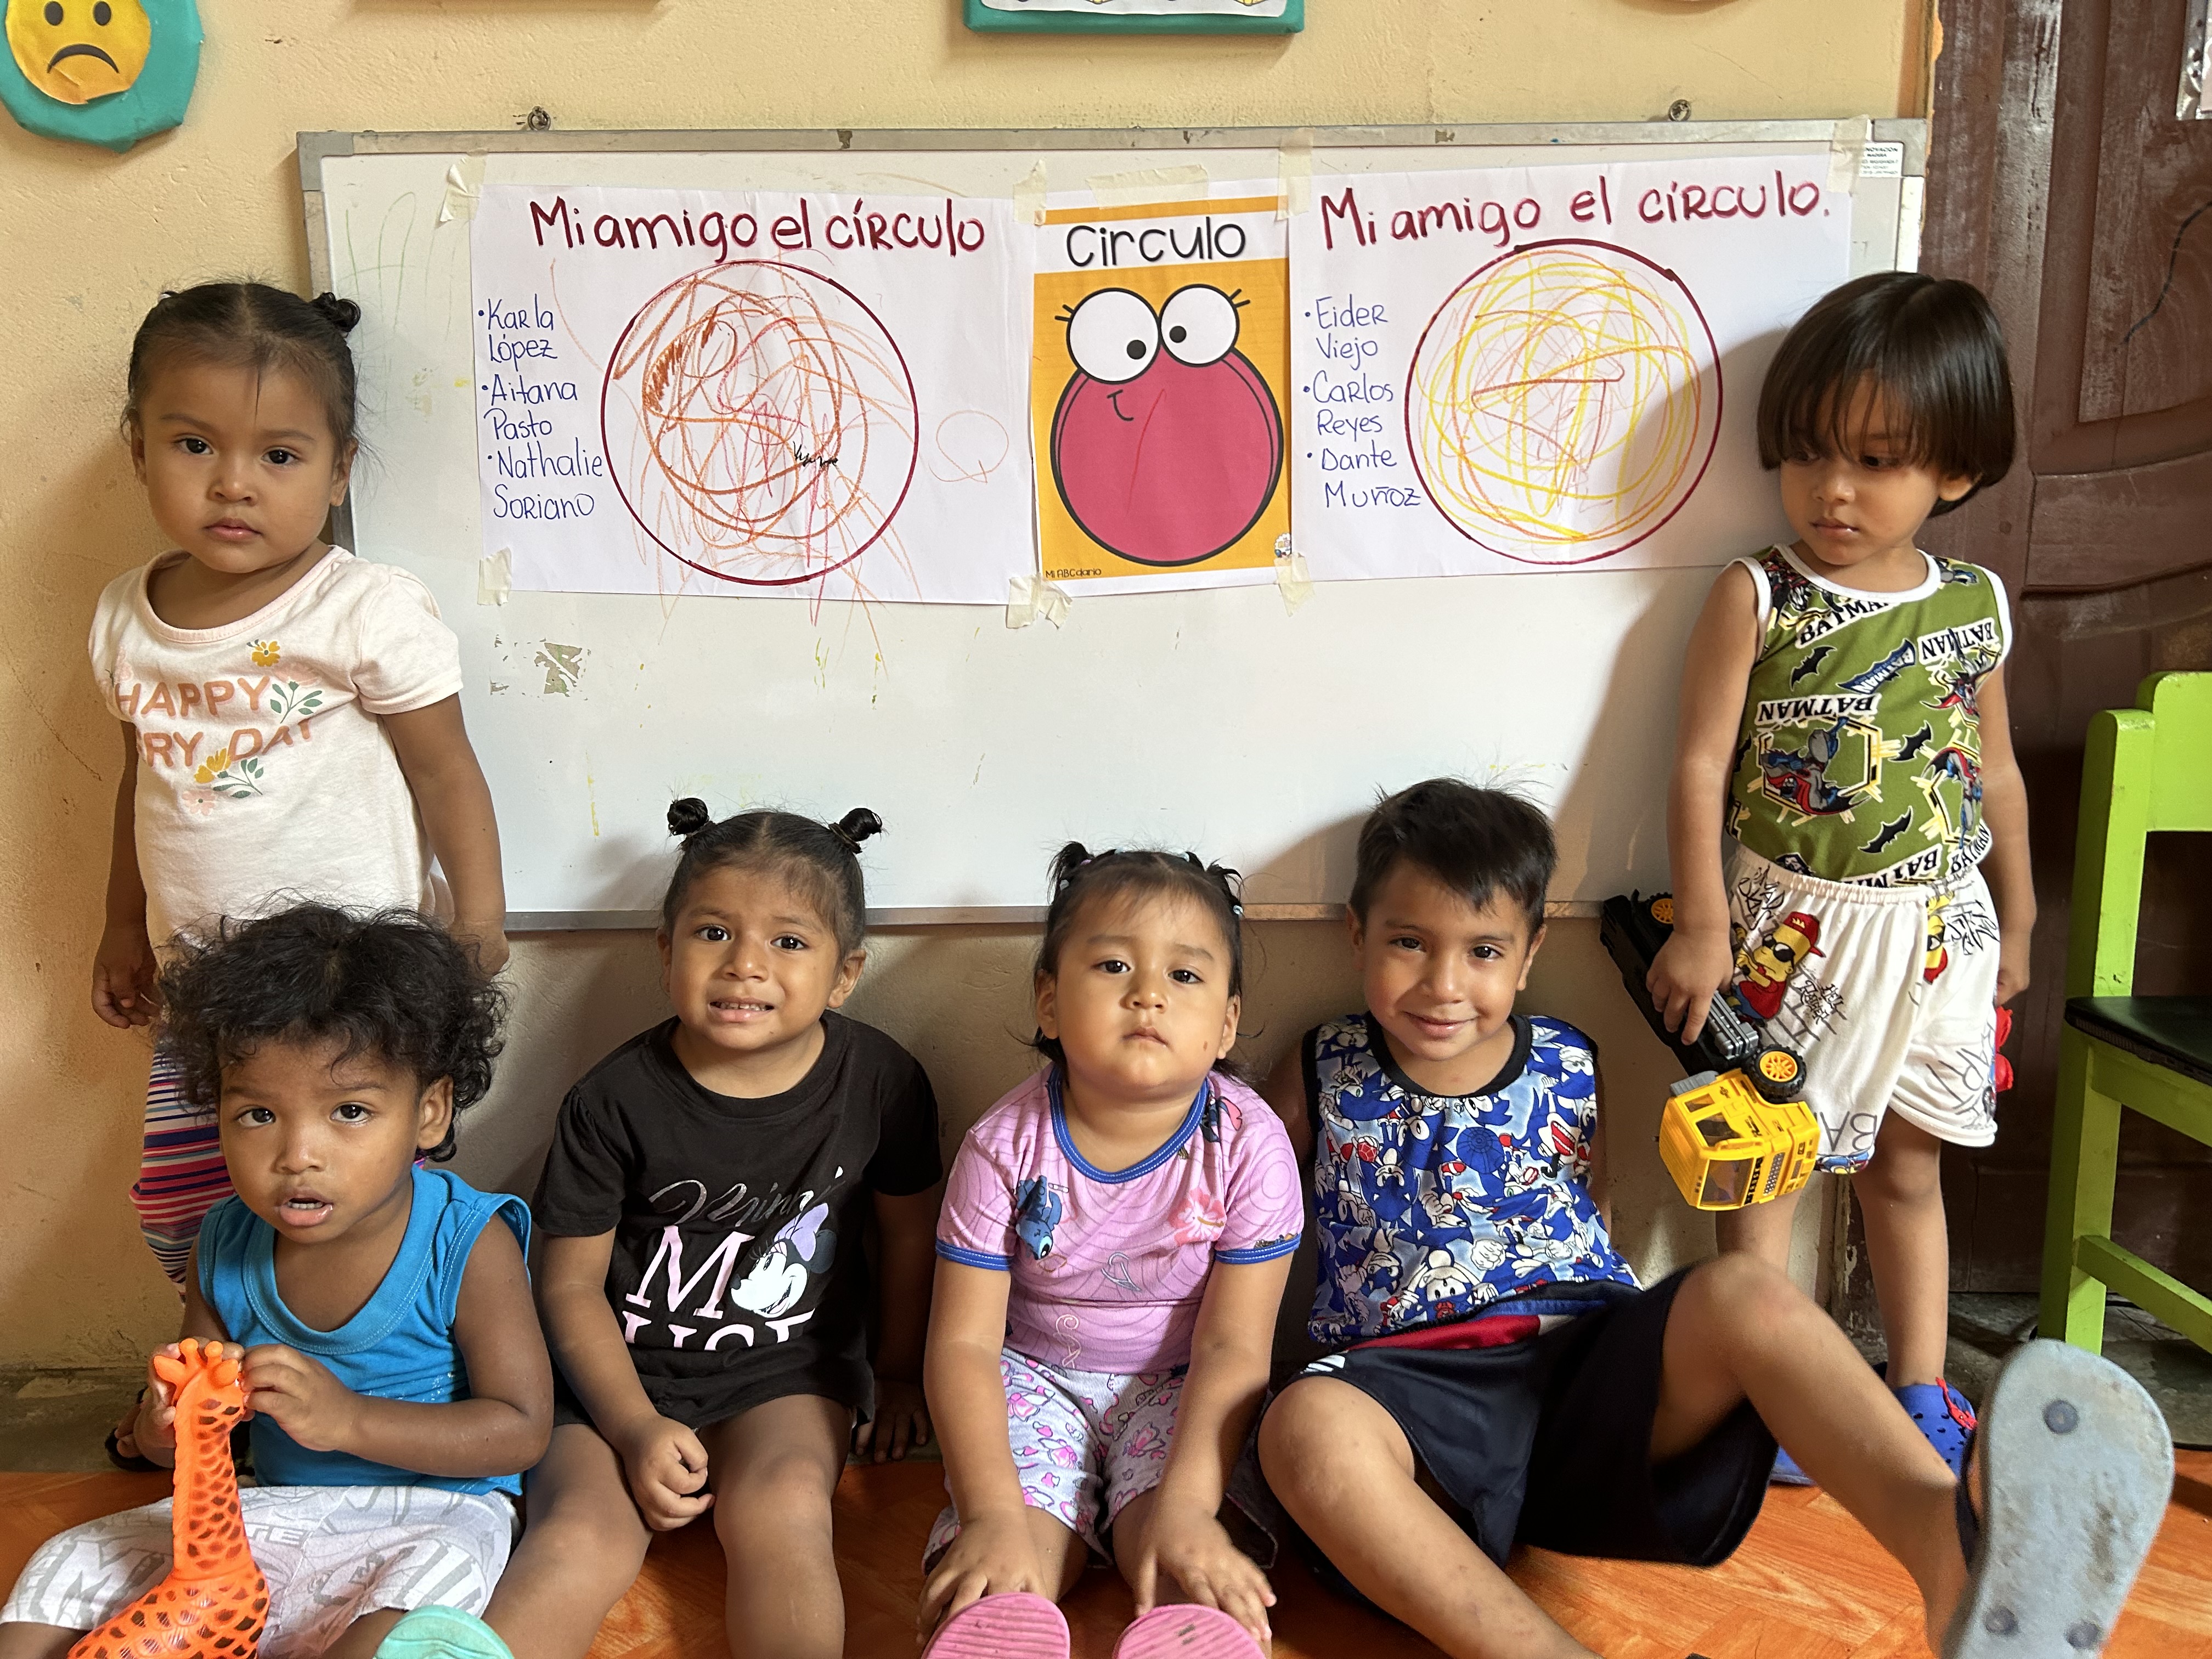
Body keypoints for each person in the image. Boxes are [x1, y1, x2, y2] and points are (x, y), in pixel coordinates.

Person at [1248, 780, 2170, 1659]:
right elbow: (1250, 1219)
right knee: (1303, 1427)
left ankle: (1953, 1557)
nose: (1445, 984)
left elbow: (1592, 1212)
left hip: (1578, 1368)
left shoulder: (1567, 1057)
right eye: (1410, 943)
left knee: (1745, 1293)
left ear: (1529, 956)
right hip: (1408, 1393)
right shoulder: (1322, 1063)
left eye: (1484, 951)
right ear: (1357, 934)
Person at [1645, 272, 2029, 1478]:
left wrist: (2019, 919)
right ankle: (1762, 1392)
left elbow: (1996, 773)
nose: (1834, 489)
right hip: (1794, 930)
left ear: (1954, 471)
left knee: (1908, 1167)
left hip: (1940, 930)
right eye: (1811, 453)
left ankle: (1918, 1391)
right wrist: (1702, 923)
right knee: (1768, 1161)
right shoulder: (1759, 594)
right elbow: (1698, 764)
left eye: (1876, 460)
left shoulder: (1975, 604)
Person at [90, 283, 507, 1341]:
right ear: (139, 447)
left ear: (338, 471)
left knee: (358, 1199)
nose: (234, 483)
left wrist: (479, 922)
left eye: (279, 455)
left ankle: (377, 1370)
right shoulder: (126, 618)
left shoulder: (362, 608)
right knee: (183, 1204)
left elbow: (447, 772)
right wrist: (119, 924)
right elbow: (142, 782)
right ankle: (222, 1370)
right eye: (194, 445)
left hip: (349, 988)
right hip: (204, 988)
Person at [0, 907, 551, 1659]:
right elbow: (204, 1439)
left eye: (349, 1111)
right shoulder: (224, 1242)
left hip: (432, 1516)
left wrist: (349, 1420)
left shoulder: (467, 1241)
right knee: (71, 1556)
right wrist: (164, 1429)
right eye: (259, 1114)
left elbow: (520, 1430)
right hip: (271, 1513)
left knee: (424, 1597)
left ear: (429, 1113)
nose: (298, 1154)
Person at [485, 800, 942, 1659]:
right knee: (580, 1536)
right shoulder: (613, 1100)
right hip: (613, 1376)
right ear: (666, 952)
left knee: (786, 1511)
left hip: (784, 1372)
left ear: (845, 974)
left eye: (789, 941)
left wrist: (898, 1373)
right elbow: (568, 1285)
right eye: (713, 933)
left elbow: (910, 1235)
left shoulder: (881, 1082)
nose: (745, 965)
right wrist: (633, 1426)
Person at [919, 846, 1302, 1659]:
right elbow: (962, 1345)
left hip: (1183, 1385)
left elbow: (1234, 1347)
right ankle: (1000, 1619)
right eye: (1114, 965)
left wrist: (1189, 1509)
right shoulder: (1002, 1146)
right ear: (1050, 1002)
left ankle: (1187, 1627)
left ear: (1227, 1024)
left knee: (1172, 1555)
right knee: (1016, 1560)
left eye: (1185, 976)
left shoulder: (1250, 1144)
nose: (1148, 993)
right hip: (1032, 1379)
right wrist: (990, 1515)